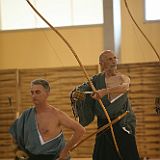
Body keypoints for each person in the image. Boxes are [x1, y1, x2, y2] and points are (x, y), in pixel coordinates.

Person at [70, 50, 140, 160]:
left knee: (127, 154)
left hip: (122, 122)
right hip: (104, 124)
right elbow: (81, 90)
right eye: (109, 59)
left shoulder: (123, 78)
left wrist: (104, 91)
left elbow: (125, 87)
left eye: (114, 58)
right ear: (101, 64)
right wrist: (77, 94)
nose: (113, 61)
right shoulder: (97, 79)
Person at [9, 79, 85, 160]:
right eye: (32, 92)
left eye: (37, 92)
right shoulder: (26, 115)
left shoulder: (57, 114)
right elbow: (15, 135)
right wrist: (17, 150)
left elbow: (80, 130)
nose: (34, 96)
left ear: (47, 94)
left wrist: (65, 150)